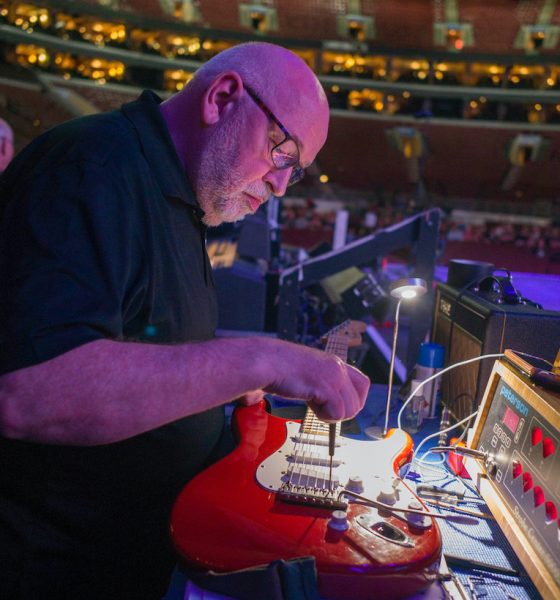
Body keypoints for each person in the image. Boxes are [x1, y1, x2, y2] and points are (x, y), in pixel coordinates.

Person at [0, 42, 369, 599]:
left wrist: (229, 382)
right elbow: (27, 390)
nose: (278, 185)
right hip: (55, 570)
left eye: (293, 173)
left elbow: (143, 340)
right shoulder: (93, 166)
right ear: (222, 98)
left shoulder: (178, 191)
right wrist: (258, 359)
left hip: (138, 554)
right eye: (283, 153)